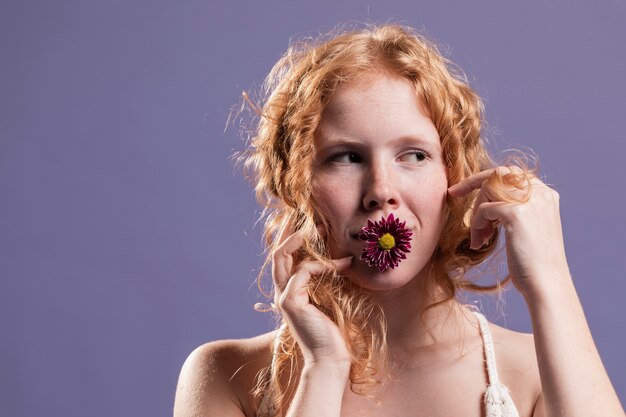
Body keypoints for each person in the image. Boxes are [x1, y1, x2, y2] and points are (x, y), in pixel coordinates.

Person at [173, 23, 624, 417]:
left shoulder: (536, 374)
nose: (381, 190)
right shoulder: (224, 377)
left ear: (457, 177)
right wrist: (324, 370)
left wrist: (550, 281)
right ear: (296, 184)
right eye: (346, 157)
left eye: (414, 154)